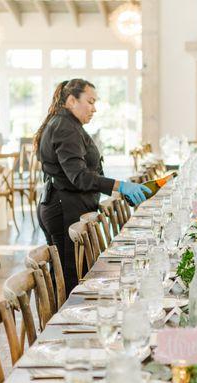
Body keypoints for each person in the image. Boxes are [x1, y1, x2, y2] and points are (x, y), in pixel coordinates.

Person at [35, 79, 151, 294]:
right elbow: (78, 177)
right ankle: (69, 320)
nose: (94, 108)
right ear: (71, 100)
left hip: (63, 203)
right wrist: (119, 186)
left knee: (73, 272)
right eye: (90, 101)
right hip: (64, 208)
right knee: (71, 275)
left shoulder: (68, 124)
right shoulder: (65, 127)